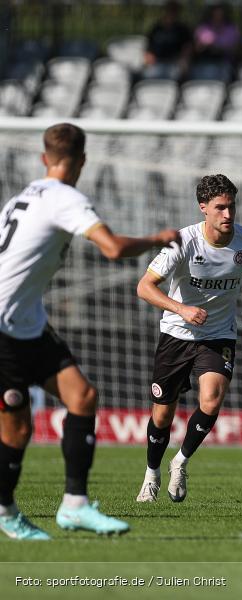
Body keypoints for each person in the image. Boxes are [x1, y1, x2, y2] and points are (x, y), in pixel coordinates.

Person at [0, 123, 179, 539]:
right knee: (17, 429)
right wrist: (158, 238)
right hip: (3, 326)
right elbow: (112, 248)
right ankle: (6, 512)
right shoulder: (66, 198)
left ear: (45, 158)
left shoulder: (22, 196)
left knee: (82, 397)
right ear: (82, 161)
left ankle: (75, 507)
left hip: (27, 321)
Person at [135, 174, 242, 504]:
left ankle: (181, 461)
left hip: (218, 333)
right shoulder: (182, 242)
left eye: (231, 207)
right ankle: (152, 473)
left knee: (211, 399)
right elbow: (144, 287)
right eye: (220, 208)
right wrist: (181, 308)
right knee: (162, 415)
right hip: (177, 334)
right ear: (203, 208)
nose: (228, 215)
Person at [143, 1, 193, 80]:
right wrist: (148, 60)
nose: (171, 13)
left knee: (175, 74)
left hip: (174, 63)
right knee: (148, 74)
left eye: (174, 11)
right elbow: (148, 49)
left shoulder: (183, 29)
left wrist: (184, 60)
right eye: (169, 10)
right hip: (157, 63)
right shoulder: (156, 29)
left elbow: (187, 47)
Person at [192, 3, 241, 79]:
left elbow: (236, 49)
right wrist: (206, 47)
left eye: (220, 12)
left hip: (224, 63)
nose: (218, 15)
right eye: (216, 12)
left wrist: (221, 48)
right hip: (205, 62)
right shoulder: (203, 28)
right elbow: (196, 48)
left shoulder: (231, 29)